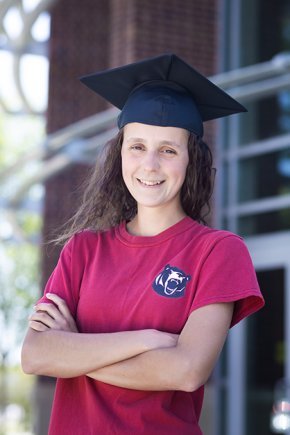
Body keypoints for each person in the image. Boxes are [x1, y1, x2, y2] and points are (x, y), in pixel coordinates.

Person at [21, 53, 264, 435]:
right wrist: (146, 341)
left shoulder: (217, 251)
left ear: (192, 161)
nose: (149, 164)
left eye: (168, 150)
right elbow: (35, 355)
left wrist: (72, 350)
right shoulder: (83, 250)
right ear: (120, 155)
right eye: (137, 146)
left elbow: (186, 371)